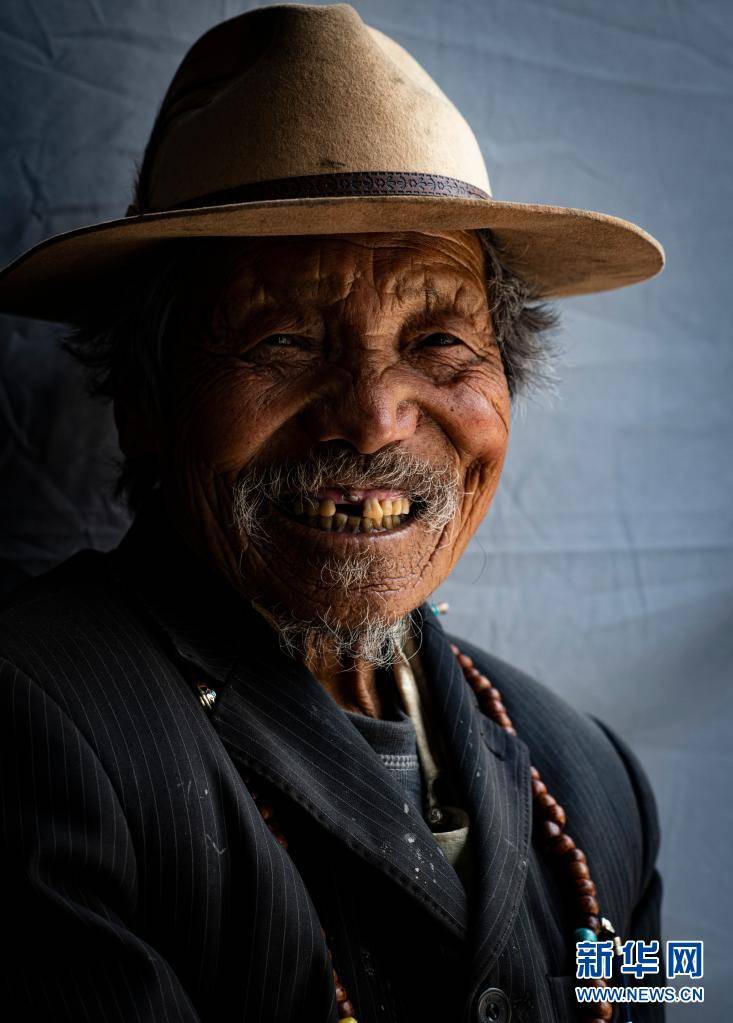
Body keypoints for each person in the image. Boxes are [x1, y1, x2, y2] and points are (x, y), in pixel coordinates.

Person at [0, 5, 665, 1022]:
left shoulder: (594, 778)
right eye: (281, 341)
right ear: (144, 401)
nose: (372, 416)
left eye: (440, 341)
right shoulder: (36, 721)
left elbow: (659, 998)